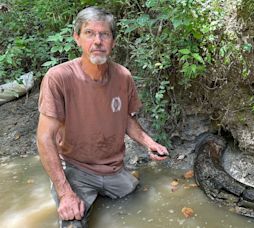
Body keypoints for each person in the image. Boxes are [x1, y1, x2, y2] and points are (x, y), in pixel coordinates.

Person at [36, 6, 169, 228]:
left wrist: (149, 143)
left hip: (113, 168)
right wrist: (65, 192)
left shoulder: (122, 76)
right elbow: (44, 138)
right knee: (72, 221)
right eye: (89, 33)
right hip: (76, 168)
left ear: (113, 42)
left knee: (137, 198)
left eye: (104, 34)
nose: (97, 41)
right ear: (77, 38)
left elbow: (125, 118)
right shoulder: (58, 78)